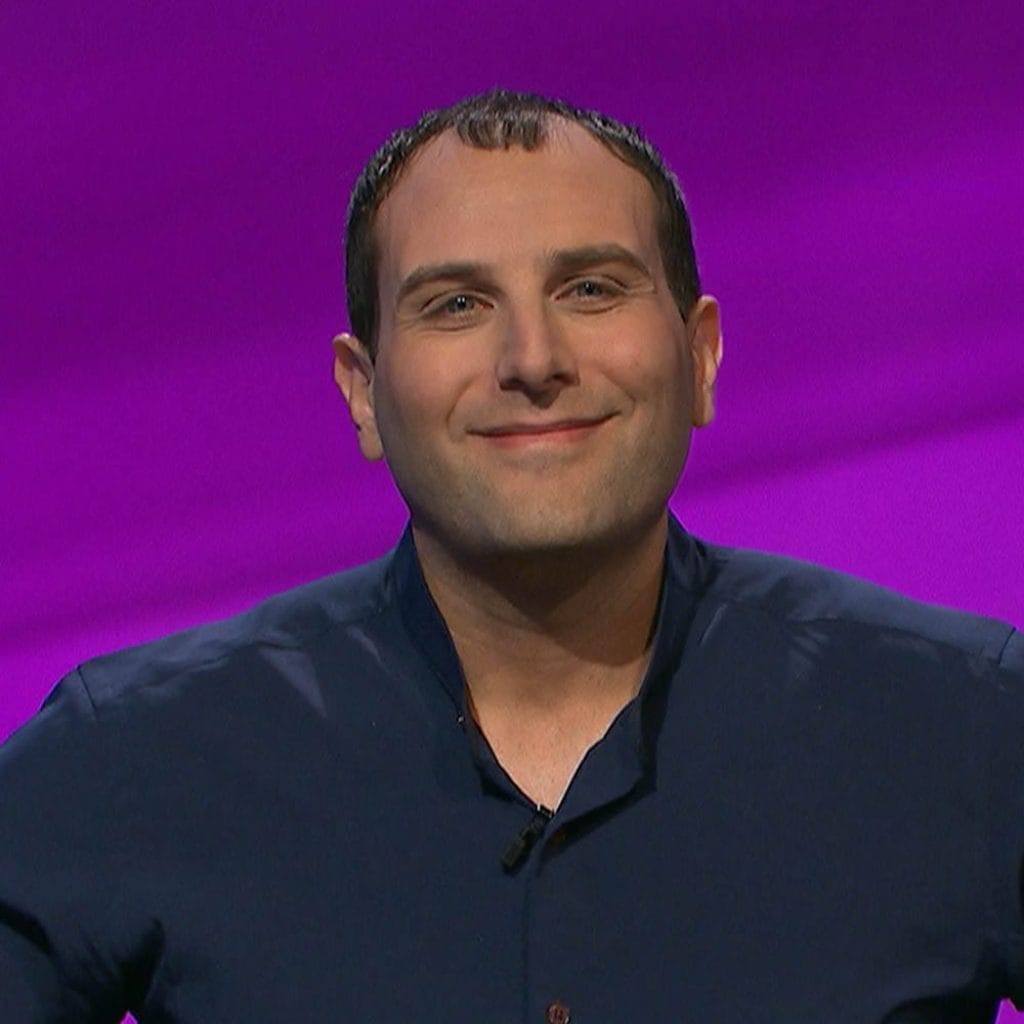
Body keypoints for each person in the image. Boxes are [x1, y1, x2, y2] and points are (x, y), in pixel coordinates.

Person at [1, 89, 1021, 1024]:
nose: (532, 360)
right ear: (362, 391)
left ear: (701, 356)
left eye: (589, 288)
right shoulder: (138, 755)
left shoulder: (970, 726)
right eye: (456, 303)